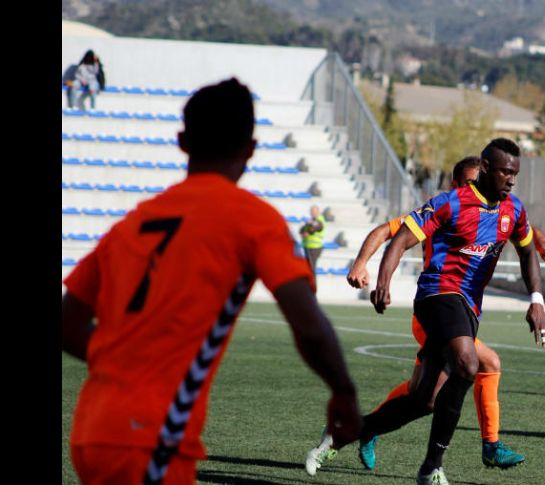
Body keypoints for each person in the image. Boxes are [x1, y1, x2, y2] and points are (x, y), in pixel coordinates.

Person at [61, 78, 362, 485]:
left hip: (91, 427)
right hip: (151, 436)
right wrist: (343, 391)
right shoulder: (253, 220)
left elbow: (68, 323)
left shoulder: (135, 221)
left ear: (182, 142)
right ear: (251, 149)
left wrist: (119, 359)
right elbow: (308, 323)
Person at [307, 138, 545, 485]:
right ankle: (432, 467)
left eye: (515, 174)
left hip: (468, 308)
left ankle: (344, 432)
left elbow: (526, 251)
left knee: (424, 400)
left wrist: (537, 300)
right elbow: (400, 238)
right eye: (504, 172)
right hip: (437, 294)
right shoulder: (451, 203)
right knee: (469, 364)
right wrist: (383, 281)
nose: (511, 180)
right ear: (485, 168)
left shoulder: (513, 209)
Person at [300, 205, 326, 273]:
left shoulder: (319, 220)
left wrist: (307, 232)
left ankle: (312, 280)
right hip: (308, 246)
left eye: (314, 211)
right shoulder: (311, 220)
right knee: (308, 267)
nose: (313, 213)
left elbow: (316, 227)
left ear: (318, 212)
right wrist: (303, 232)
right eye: (311, 211)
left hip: (315, 247)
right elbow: (302, 230)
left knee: (311, 268)